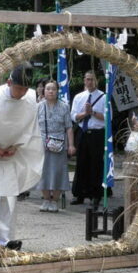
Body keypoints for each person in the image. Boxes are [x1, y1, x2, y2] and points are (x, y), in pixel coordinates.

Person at [0, 63, 44, 251]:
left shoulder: (31, 98)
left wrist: (16, 146)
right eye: (18, 88)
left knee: (9, 198)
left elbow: (32, 126)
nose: (22, 92)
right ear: (9, 82)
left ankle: (4, 239)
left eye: (25, 88)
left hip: (11, 154)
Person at [37, 80, 76, 212]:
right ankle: (46, 199)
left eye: (53, 89)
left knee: (58, 172)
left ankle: (55, 201)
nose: (50, 91)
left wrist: (71, 145)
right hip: (42, 143)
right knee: (43, 172)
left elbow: (69, 128)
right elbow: (34, 126)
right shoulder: (39, 106)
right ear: (44, 91)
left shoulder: (64, 107)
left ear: (57, 91)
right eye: (48, 89)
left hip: (59, 143)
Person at [70, 70, 105, 206]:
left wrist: (93, 113)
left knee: (96, 164)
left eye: (92, 79)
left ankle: (95, 194)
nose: (89, 82)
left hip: (97, 134)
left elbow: (108, 118)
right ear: (84, 80)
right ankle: (79, 194)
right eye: (87, 79)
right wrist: (85, 113)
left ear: (96, 81)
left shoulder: (103, 97)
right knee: (81, 163)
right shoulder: (79, 97)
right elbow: (73, 116)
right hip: (83, 132)